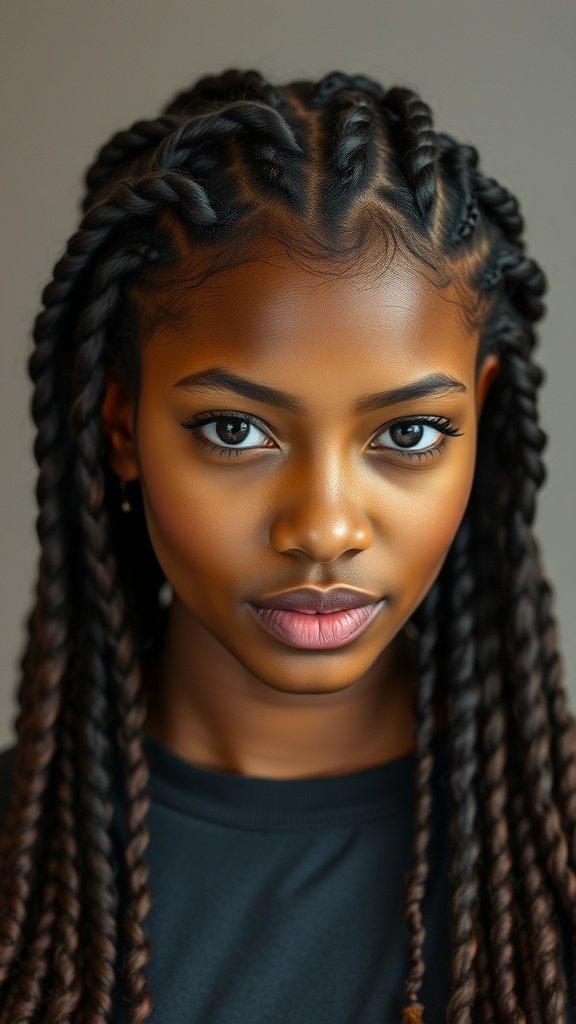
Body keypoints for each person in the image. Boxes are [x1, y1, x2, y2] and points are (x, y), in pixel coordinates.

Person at [0, 66, 573, 1024]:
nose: (324, 529)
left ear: (481, 416)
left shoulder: (547, 875)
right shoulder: (24, 886)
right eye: (235, 431)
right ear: (120, 427)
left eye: (409, 434)